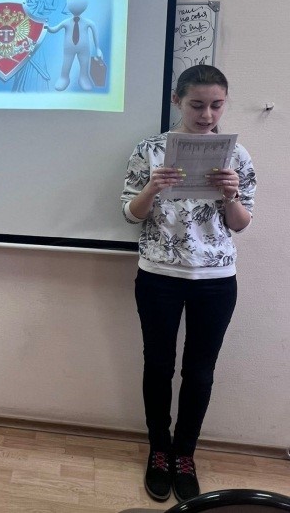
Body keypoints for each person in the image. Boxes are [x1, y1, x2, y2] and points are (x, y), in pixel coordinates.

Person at [120, 65, 256, 503]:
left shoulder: (236, 155)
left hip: (215, 280)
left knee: (200, 371)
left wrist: (231, 195)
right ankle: (159, 450)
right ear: (177, 100)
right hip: (159, 275)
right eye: (197, 104)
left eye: (217, 105)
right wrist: (152, 188)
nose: (207, 115)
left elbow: (241, 224)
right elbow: (130, 214)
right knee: (158, 365)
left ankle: (185, 455)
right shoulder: (149, 150)